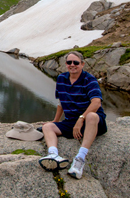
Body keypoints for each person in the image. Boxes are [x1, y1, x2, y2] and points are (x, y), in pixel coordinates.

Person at [38, 51, 107, 179]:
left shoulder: (89, 79)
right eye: (69, 62)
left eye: (76, 62)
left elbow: (96, 102)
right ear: (66, 64)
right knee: (47, 127)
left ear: (82, 64)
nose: (72, 65)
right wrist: (55, 121)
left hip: (93, 121)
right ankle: (53, 155)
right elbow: (61, 102)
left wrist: (81, 119)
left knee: (92, 116)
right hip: (71, 121)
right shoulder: (61, 79)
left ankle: (80, 159)